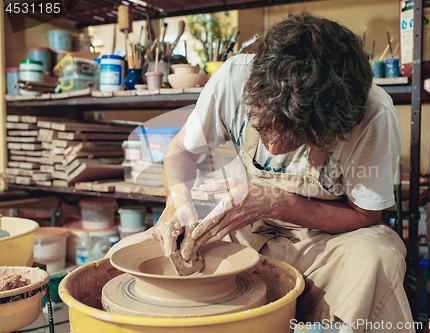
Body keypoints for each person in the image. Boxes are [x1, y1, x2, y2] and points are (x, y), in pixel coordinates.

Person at [113, 12, 414, 333]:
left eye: (295, 137)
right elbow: (181, 150)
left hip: (327, 238)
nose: (272, 146)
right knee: (127, 255)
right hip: (244, 214)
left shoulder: (373, 114)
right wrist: (181, 200)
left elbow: (366, 215)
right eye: (265, 125)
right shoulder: (234, 78)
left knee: (378, 257)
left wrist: (278, 202)